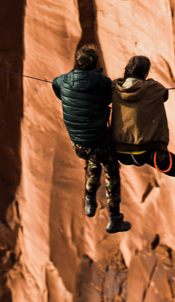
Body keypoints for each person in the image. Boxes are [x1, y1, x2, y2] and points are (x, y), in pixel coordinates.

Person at [53, 45, 127, 233]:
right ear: (95, 64)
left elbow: (56, 85)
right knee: (111, 169)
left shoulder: (63, 81)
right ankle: (115, 217)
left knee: (93, 161)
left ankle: (90, 199)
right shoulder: (102, 82)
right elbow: (110, 97)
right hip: (99, 140)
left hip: (78, 144)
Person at [110, 55, 175, 180]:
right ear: (145, 72)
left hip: (120, 151)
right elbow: (164, 95)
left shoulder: (114, 87)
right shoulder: (153, 88)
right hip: (144, 152)